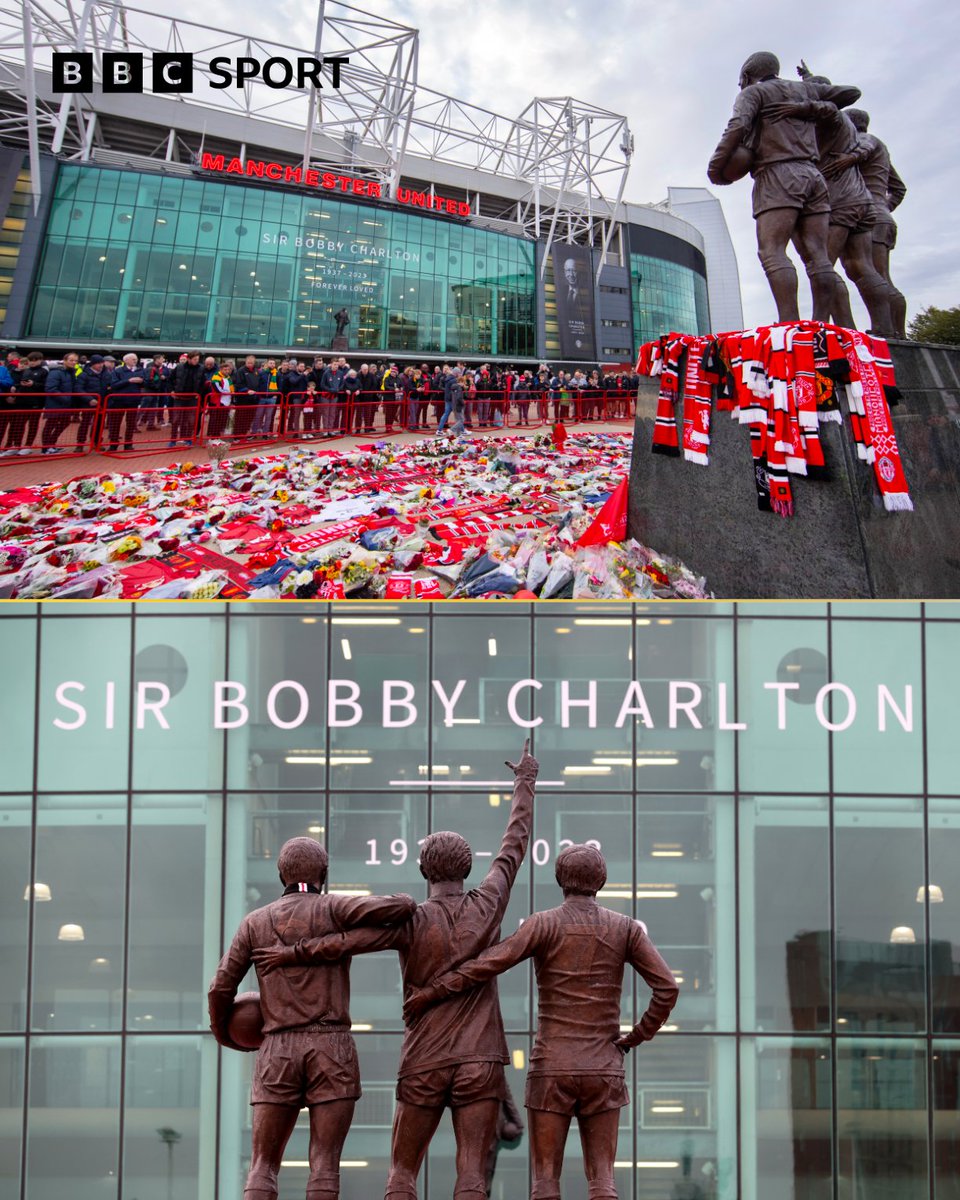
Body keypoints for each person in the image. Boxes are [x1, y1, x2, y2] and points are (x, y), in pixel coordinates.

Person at [253, 741, 539, 1200]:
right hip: (480, 1060)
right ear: (467, 868)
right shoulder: (488, 905)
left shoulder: (411, 921)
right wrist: (524, 782)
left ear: (424, 868)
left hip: (423, 1059)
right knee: (471, 1177)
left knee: (401, 1175)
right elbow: (514, 846)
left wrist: (294, 953)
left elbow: (349, 943)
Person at [404, 844, 679, 1200]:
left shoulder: (544, 923)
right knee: (603, 1179)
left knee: (545, 1180)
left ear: (559, 880)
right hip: (603, 1066)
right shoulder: (624, 929)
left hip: (552, 1067)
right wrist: (638, 1034)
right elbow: (667, 988)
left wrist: (433, 991)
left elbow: (489, 964)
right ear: (602, 881)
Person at [208, 837, 416, 1200]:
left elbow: (219, 988)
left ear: (279, 874)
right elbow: (403, 907)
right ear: (324, 873)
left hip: (277, 1047)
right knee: (324, 1165)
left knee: (262, 1165)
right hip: (330, 1044)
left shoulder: (254, 923)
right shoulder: (334, 909)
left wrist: (225, 1034)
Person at [707, 51, 860, 323]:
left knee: (772, 250)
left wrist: (717, 166)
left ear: (745, 76)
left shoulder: (753, 93)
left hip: (778, 173)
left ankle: (788, 323)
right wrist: (806, 105)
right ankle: (820, 325)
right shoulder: (804, 90)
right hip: (813, 175)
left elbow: (737, 126)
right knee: (818, 255)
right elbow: (850, 93)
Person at [846, 108, 908, 338]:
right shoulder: (881, 148)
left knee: (872, 274)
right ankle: (898, 334)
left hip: (865, 216)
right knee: (881, 275)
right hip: (882, 215)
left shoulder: (861, 142)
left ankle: (889, 333)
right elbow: (899, 189)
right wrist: (884, 206)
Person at [4, 351, 46, 454]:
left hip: (36, 402)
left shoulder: (43, 372)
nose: (32, 362)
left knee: (33, 424)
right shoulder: (26, 371)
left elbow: (45, 386)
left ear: (40, 360)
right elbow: (20, 382)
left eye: (34, 361)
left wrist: (33, 384)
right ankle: (16, 445)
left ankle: (28, 445)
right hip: (22, 401)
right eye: (30, 360)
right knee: (19, 424)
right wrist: (16, 386)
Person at [41, 351, 80, 453]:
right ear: (65, 360)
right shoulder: (56, 372)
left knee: (64, 422)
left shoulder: (71, 373)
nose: (74, 362)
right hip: (56, 403)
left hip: (66, 404)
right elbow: (50, 388)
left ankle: (51, 444)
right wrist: (66, 398)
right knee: (51, 424)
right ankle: (45, 447)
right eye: (71, 360)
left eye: (75, 360)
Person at [105, 353, 145, 451]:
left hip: (133, 400)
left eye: (136, 359)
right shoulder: (118, 371)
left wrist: (142, 382)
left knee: (131, 423)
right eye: (133, 359)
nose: (135, 361)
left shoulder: (140, 370)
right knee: (115, 423)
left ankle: (128, 443)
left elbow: (146, 382)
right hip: (119, 400)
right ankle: (113, 444)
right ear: (126, 360)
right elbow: (114, 385)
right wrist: (129, 381)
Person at [168, 351, 204, 447]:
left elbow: (203, 383)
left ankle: (188, 439)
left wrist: (199, 393)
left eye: (198, 359)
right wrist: (171, 390)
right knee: (175, 419)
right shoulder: (179, 367)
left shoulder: (201, 368)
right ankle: (173, 439)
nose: (197, 361)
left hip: (192, 398)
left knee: (191, 420)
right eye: (195, 359)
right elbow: (170, 379)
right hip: (179, 397)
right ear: (189, 359)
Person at [76, 354, 111, 449]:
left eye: (102, 363)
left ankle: (97, 441)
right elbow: (79, 388)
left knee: (100, 423)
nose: (100, 365)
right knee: (85, 423)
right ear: (92, 364)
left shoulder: (106, 374)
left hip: (102, 403)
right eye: (98, 363)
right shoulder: (84, 374)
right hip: (88, 403)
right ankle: (80, 443)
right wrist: (89, 399)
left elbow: (109, 386)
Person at [234, 355, 263, 440]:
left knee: (249, 418)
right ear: (245, 362)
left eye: (252, 363)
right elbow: (238, 384)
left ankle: (243, 434)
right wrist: (246, 390)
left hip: (254, 399)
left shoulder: (256, 371)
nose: (250, 364)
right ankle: (237, 436)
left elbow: (259, 383)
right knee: (240, 418)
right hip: (243, 399)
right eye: (248, 362)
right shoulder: (241, 371)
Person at [252, 358, 281, 438]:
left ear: (275, 365)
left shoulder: (277, 374)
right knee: (258, 416)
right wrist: (258, 394)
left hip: (271, 398)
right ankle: (254, 432)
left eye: (273, 363)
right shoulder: (262, 373)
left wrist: (276, 394)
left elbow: (279, 385)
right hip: (262, 397)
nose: (272, 364)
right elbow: (258, 384)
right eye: (270, 363)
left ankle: (265, 433)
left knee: (268, 417)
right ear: (267, 364)